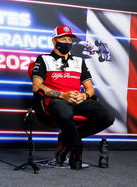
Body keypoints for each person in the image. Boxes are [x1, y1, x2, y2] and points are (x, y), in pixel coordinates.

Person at [31, 25, 114, 170]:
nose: (67, 42)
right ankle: (76, 145)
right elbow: (37, 86)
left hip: (78, 100)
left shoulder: (79, 61)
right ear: (54, 41)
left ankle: (67, 139)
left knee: (107, 117)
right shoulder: (44, 59)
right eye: (63, 38)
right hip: (56, 100)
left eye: (69, 39)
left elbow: (90, 88)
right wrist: (63, 94)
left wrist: (85, 95)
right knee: (65, 113)